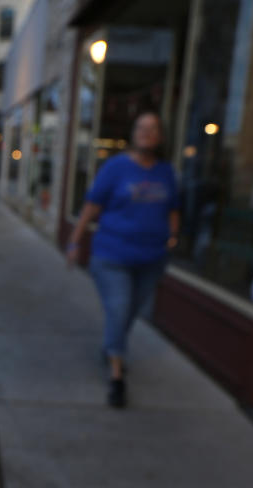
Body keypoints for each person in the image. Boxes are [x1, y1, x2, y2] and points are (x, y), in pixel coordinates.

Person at [66, 110, 180, 408]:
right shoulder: (115, 169)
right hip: (112, 256)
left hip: (152, 259)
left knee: (130, 312)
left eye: (153, 128)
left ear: (161, 136)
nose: (146, 133)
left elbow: (173, 208)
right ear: (133, 133)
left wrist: (172, 237)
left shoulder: (165, 172)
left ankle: (111, 348)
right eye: (141, 127)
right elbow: (91, 207)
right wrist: (74, 242)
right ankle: (117, 376)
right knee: (118, 309)